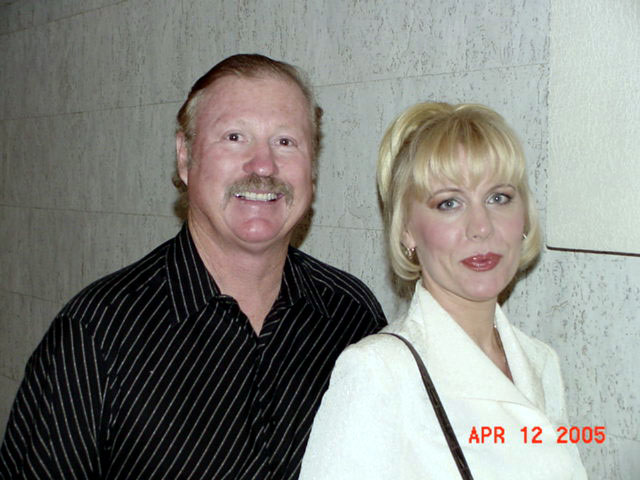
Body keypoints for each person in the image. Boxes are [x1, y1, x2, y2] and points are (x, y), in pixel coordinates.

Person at [0, 54, 386, 480]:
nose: (263, 165)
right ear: (185, 157)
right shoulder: (96, 335)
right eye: (235, 137)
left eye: (285, 141)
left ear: (312, 167)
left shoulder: (351, 317)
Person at [300, 102, 588, 479]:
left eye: (499, 197)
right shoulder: (379, 371)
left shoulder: (540, 361)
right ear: (407, 230)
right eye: (449, 203)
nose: (481, 226)